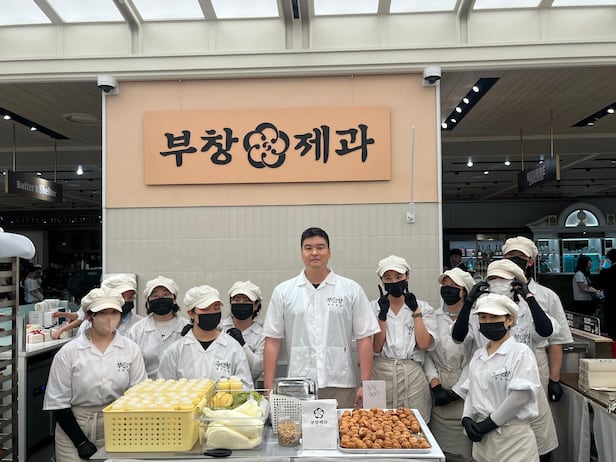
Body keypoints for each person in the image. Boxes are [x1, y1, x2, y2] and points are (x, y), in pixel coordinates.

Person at [262, 227, 380, 408]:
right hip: (298, 385)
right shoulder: (284, 291)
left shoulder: (350, 289)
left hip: (339, 383)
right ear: (301, 253)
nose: (314, 253)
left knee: (341, 426)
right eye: (308, 248)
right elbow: (272, 340)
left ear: (329, 252)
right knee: (298, 427)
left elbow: (364, 338)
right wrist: (268, 389)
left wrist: (366, 384)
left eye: (320, 247)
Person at [43, 286, 147, 462]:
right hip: (75, 426)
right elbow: (58, 402)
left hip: (118, 425)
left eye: (114, 312)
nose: (109, 318)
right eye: (103, 313)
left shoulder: (131, 349)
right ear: (89, 316)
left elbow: (138, 392)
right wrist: (81, 442)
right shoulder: (69, 352)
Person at [458, 294, 541, 462]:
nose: (488, 322)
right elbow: (472, 392)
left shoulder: (520, 352)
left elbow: (520, 397)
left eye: (494, 317)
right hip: (483, 444)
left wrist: (489, 423)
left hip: (514, 442)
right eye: (483, 317)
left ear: (509, 320)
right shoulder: (479, 355)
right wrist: (467, 418)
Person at [502, 236, 574, 402]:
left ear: (530, 261)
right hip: (500, 365)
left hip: (536, 363)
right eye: (511, 256)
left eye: (521, 257)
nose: (515, 260)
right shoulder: (493, 293)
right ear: (503, 259)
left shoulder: (547, 296)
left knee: (536, 411)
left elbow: (557, 341)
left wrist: (554, 379)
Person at [372, 255, 437, 421]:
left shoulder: (424, 307)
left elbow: (424, 344)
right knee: (377, 423)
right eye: (388, 278)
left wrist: (416, 311)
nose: (394, 282)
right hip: (381, 374)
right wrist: (382, 316)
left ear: (407, 276)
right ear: (381, 280)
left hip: (412, 376)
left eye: (398, 276)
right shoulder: (372, 308)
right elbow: (376, 348)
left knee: (414, 425)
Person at [424, 267, 476, 462]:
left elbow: (477, 358)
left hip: (467, 388)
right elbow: (427, 353)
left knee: (464, 451)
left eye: (453, 285)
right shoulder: (433, 316)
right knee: (439, 449)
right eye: (444, 285)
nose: (447, 289)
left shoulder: (476, 318)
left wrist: (457, 391)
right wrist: (435, 385)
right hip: (438, 389)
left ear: (464, 291)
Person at [158, 285, 253, 388]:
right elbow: (164, 388)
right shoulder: (175, 351)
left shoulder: (233, 348)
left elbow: (245, 388)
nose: (212, 313)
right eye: (205, 309)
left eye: (216, 308)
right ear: (191, 313)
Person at [124, 276, 187, 378]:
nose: (160, 299)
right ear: (148, 300)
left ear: (174, 299)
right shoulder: (136, 331)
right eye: (155, 296)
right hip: (146, 386)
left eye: (166, 295)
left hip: (182, 386)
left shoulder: (188, 328)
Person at [219, 280, 265, 383]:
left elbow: (256, 370)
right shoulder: (219, 327)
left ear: (256, 305)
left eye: (247, 300)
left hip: (245, 387)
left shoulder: (262, 335)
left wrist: (243, 345)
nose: (241, 303)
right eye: (237, 299)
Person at [596, 249, 616, 340]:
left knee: (611, 323)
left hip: (610, 301)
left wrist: (602, 269)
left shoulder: (607, 272)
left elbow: (600, 285)